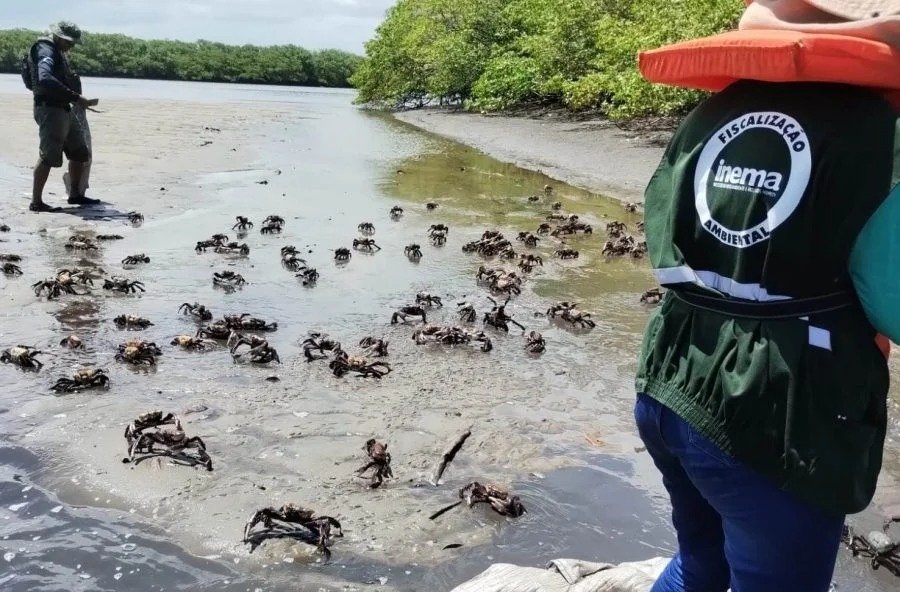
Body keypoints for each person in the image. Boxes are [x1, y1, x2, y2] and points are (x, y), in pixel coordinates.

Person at [633, 1, 899, 591]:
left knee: (700, 564)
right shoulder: (882, 131)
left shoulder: (716, 108)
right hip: (777, 407)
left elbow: (662, 232)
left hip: (670, 376)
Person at [28, 21, 100, 212]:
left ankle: (75, 195)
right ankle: (36, 202)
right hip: (50, 110)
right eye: (69, 41)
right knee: (48, 156)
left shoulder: (56, 50)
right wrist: (77, 98)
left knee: (79, 151)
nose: (72, 45)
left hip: (63, 108)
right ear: (58, 36)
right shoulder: (45, 50)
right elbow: (44, 78)